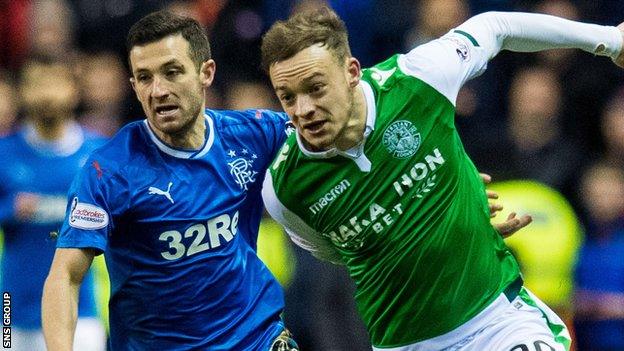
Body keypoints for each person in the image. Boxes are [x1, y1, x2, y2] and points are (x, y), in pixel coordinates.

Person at [260, 6, 624, 350]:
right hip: (406, 342)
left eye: (316, 88)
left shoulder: (417, 79)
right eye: (287, 97)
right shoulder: (285, 189)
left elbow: (497, 27)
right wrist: (434, 232)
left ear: (352, 71)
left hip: (497, 318)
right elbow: (332, 251)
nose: (303, 109)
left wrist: (610, 39)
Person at [41, 11, 298, 350]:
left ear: (206, 73)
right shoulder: (109, 171)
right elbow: (65, 276)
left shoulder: (252, 134)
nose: (158, 90)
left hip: (257, 338)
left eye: (172, 72)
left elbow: (326, 129)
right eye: (144, 78)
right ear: (133, 87)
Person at [0, 57, 106, 350]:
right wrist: (11, 209)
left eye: (55, 83)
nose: (47, 94)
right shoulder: (4, 152)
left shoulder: (98, 153)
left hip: (81, 313)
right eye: (36, 84)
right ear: (21, 92)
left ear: (74, 89)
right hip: (10, 313)